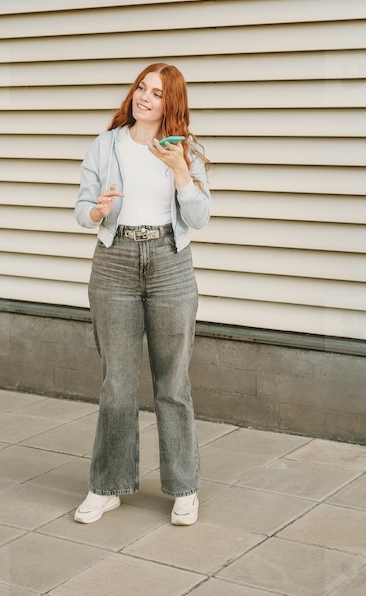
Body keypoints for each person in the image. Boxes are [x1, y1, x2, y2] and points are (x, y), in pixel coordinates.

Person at [72, 62, 212, 526]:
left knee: (173, 383)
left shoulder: (184, 149)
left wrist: (180, 173)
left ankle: (184, 488)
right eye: (140, 88)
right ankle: (107, 486)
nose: (144, 97)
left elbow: (199, 217)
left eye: (156, 93)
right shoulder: (105, 144)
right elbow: (82, 207)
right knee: (117, 382)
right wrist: (96, 212)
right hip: (115, 262)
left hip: (170, 262)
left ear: (171, 103)